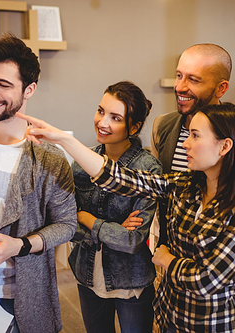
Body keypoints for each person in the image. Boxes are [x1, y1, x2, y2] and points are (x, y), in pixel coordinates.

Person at [17, 102, 235, 332]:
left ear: (225, 145)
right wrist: (63, 140)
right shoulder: (187, 185)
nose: (185, 144)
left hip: (211, 324)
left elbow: (208, 280)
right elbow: (121, 179)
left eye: (195, 136)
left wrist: (168, 260)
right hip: (170, 316)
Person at [151, 43, 235, 332]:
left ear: (221, 87)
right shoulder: (163, 126)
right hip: (177, 256)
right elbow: (161, 188)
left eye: (194, 80)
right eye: (179, 75)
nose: (181, 86)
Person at [0, 34, 77, 333]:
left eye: (4, 85)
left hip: (15, 300)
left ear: (29, 89)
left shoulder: (49, 159)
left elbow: (67, 224)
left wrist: (19, 246)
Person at [68, 81, 161, 333]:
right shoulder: (82, 163)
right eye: (100, 111)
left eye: (115, 117)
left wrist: (88, 218)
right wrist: (114, 230)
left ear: (134, 127)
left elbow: (132, 241)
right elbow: (67, 225)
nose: (102, 122)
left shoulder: (147, 169)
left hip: (131, 280)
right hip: (86, 274)